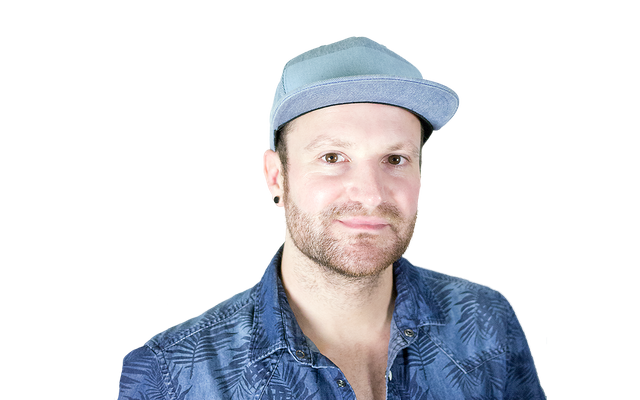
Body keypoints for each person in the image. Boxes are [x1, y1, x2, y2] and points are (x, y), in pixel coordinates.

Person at [116, 33, 548, 400]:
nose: (371, 194)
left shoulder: (489, 321)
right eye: (332, 157)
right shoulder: (170, 376)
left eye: (395, 159)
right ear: (276, 177)